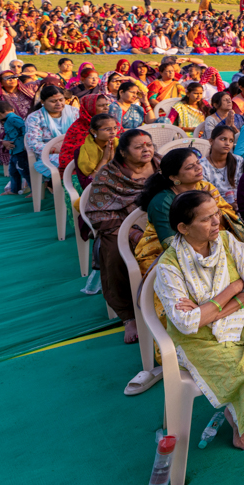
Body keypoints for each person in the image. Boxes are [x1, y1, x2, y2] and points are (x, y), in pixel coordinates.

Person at [151, 190, 244, 449]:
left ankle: (240, 409)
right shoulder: (169, 266)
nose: (216, 221)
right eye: (206, 219)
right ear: (183, 228)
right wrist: (233, 288)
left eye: (216, 214)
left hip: (243, 322)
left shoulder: (227, 241)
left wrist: (209, 311)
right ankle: (237, 417)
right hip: (199, 340)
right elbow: (187, 324)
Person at [84, 128, 159, 344]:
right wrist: (133, 233)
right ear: (123, 152)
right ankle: (128, 316)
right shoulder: (109, 175)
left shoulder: (163, 166)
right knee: (116, 255)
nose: (146, 150)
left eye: (149, 145)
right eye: (139, 147)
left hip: (161, 222)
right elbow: (98, 214)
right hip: (120, 228)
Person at [133, 147, 244, 276]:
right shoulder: (162, 201)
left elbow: (227, 218)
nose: (198, 168)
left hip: (210, 241)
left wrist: (209, 211)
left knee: (239, 267)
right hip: (164, 253)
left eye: (198, 163)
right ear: (174, 177)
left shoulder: (206, 187)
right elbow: (170, 243)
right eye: (190, 167)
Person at [24, 85, 80, 182]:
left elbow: (82, 134)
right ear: (42, 102)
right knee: (71, 161)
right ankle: (64, 186)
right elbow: (34, 144)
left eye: (61, 100)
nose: (59, 103)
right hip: (49, 154)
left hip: (74, 149)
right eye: (53, 101)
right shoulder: (35, 117)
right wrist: (54, 149)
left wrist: (71, 148)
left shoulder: (74, 112)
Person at [0, 100, 31, 196]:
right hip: (14, 151)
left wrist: (26, 144)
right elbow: (8, 133)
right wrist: (5, 141)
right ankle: (14, 189)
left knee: (24, 171)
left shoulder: (13, 119)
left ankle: (35, 190)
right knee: (13, 171)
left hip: (20, 150)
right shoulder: (9, 120)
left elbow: (25, 129)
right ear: (12, 109)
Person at [201, 124, 243, 203]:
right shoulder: (202, 165)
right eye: (223, 139)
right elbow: (205, 194)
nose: (227, 143)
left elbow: (243, 186)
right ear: (211, 141)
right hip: (215, 205)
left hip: (240, 203)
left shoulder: (238, 161)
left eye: (231, 140)